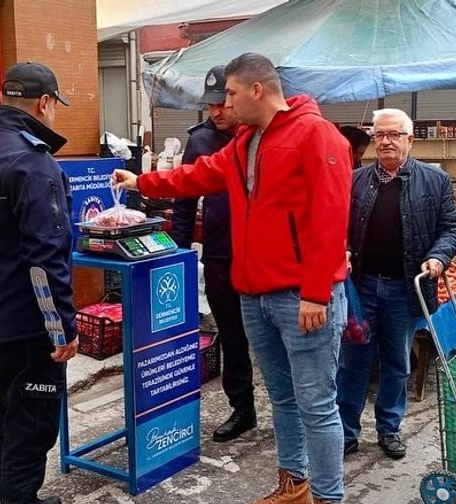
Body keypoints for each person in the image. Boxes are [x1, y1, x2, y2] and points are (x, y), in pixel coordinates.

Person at [114, 52, 352, 504]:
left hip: (303, 297)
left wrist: (317, 293)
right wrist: (140, 182)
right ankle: (294, 485)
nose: (225, 103)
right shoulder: (246, 141)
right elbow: (197, 175)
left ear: (256, 90)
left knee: (317, 406)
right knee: (282, 399)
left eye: (231, 92)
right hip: (255, 295)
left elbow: (330, 219)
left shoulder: (317, 135)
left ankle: (328, 497)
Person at [0, 62, 77, 504]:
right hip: (26, 324)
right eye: (54, 107)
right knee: (33, 420)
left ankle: (11, 494)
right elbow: (45, 257)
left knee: (5, 410)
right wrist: (62, 327)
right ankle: (19, 498)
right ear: (44, 103)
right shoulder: (32, 162)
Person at [338, 108, 456, 459]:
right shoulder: (355, 180)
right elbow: (338, 228)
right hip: (360, 289)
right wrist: (343, 250)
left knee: (396, 363)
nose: (386, 141)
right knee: (353, 362)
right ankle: (347, 430)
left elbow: (452, 228)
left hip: (403, 288)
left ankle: (389, 429)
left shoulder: (435, 181)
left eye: (394, 134)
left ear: (410, 139)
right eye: (379, 135)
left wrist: (438, 256)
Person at [170, 65, 257, 443]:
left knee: (274, 336)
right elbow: (184, 199)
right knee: (233, 335)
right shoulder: (201, 140)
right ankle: (243, 408)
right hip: (222, 253)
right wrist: (179, 252)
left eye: (223, 103)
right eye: (210, 106)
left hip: (263, 254)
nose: (217, 112)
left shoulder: (262, 135)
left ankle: (294, 409)